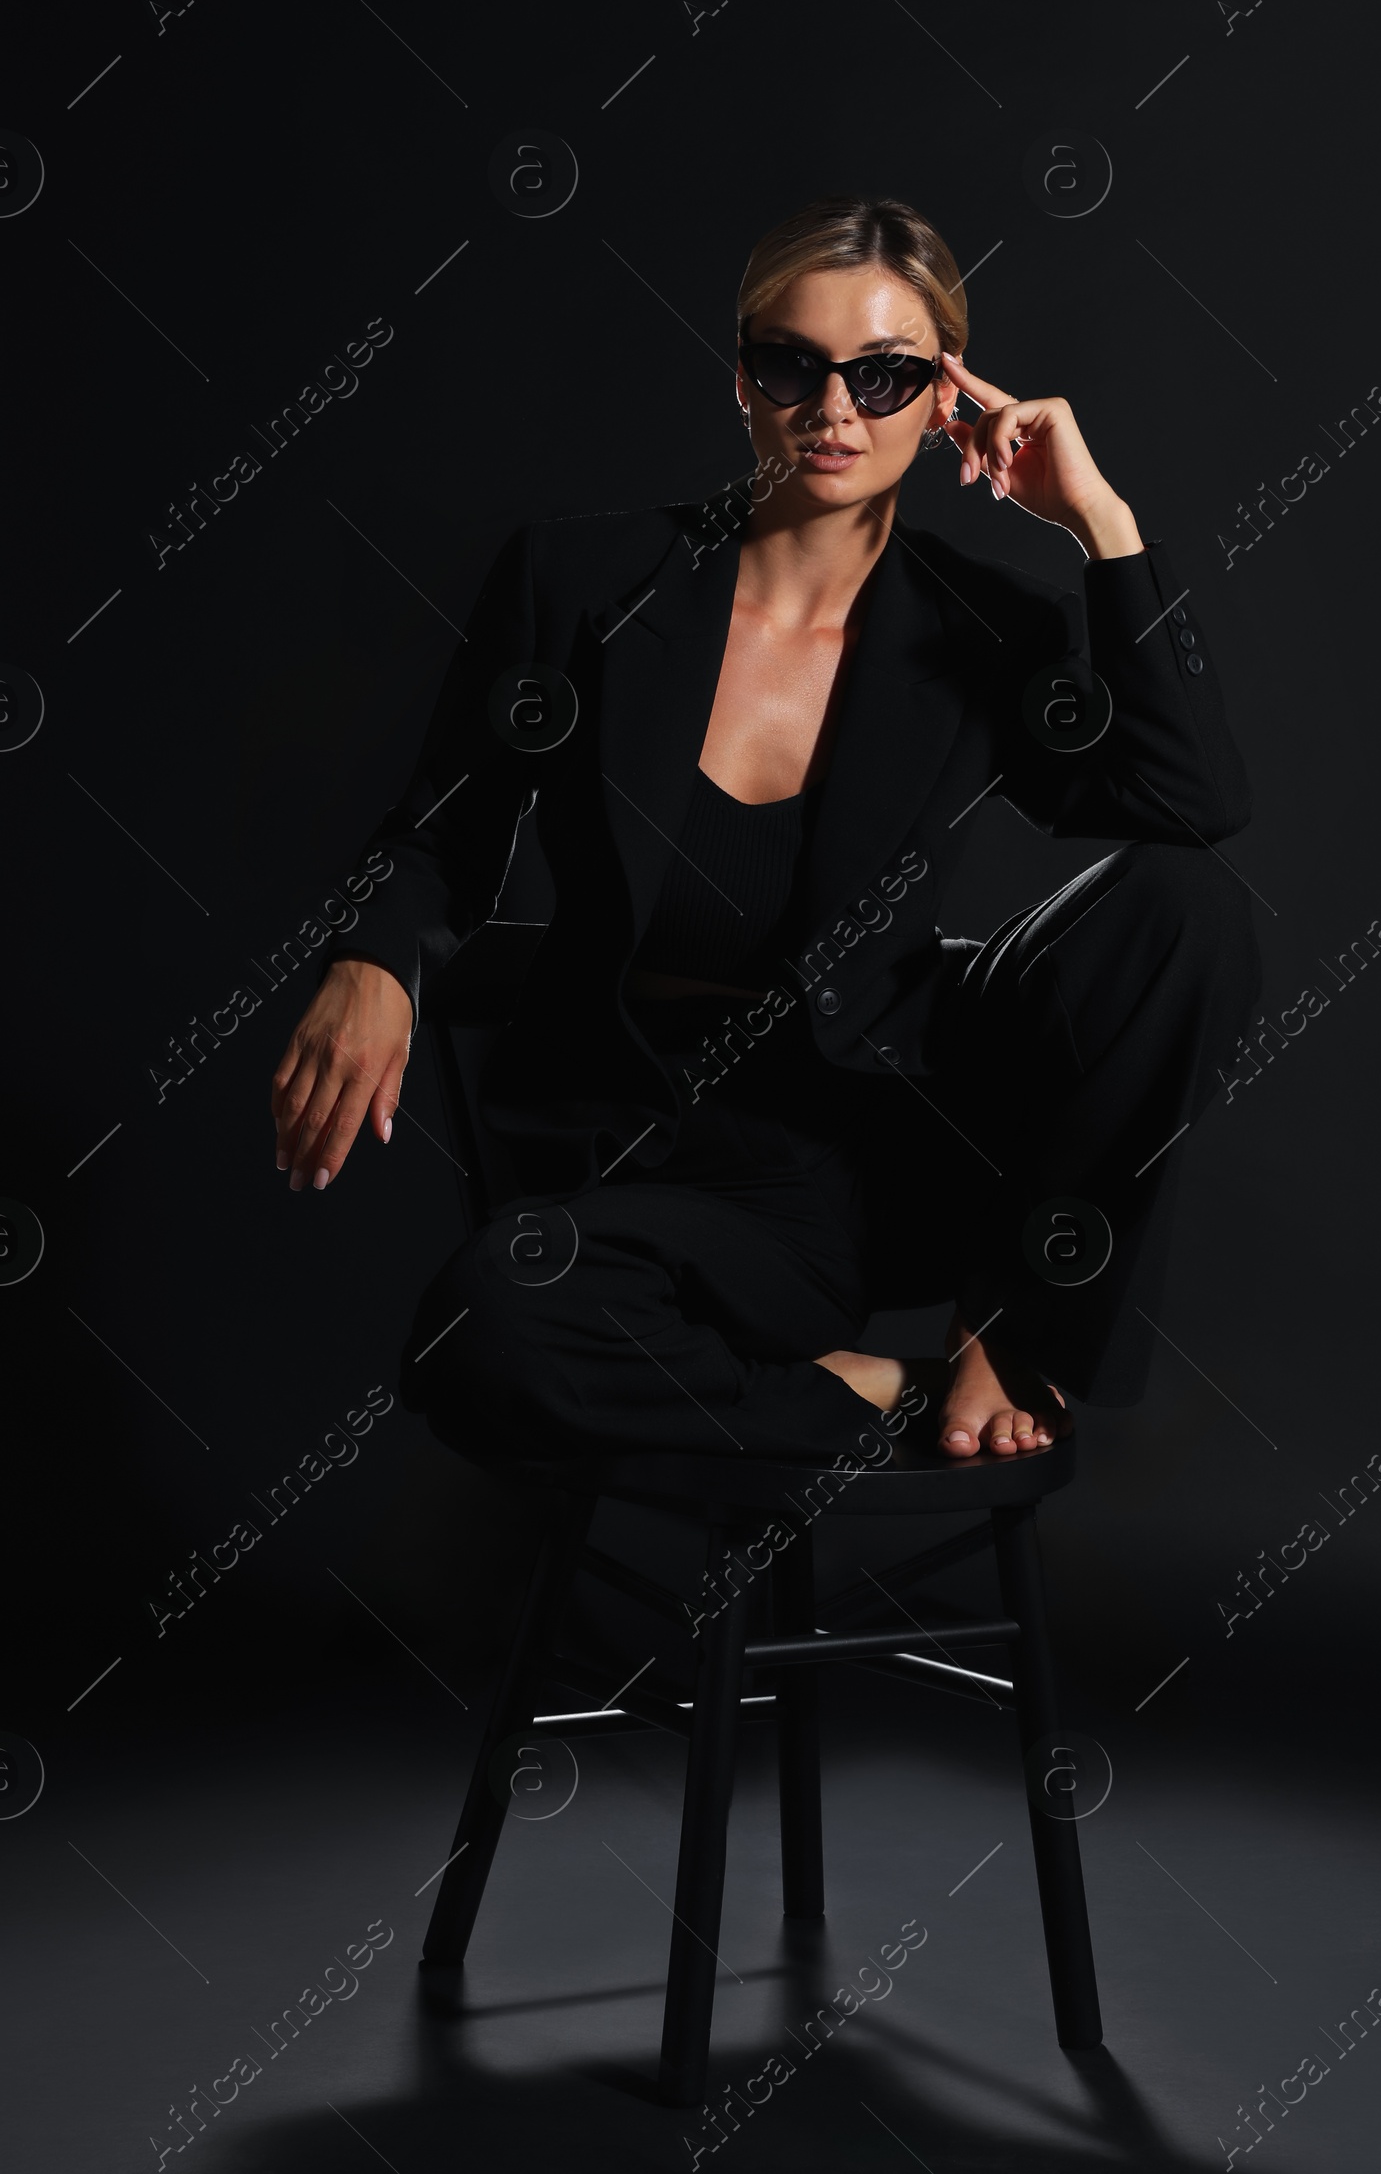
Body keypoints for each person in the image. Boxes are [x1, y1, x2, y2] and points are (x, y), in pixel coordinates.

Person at [269, 195, 1259, 1465]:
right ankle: (873, 1395)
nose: (835, 408)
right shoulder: (579, 585)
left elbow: (1192, 803)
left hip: (880, 1153)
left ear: (943, 398)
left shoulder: (985, 629)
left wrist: (1099, 528)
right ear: (742, 380)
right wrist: (374, 959)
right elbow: (445, 826)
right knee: (487, 1335)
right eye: (795, 365)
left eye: (887, 374)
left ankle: (1009, 1332)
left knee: (1188, 909)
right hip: (645, 1149)